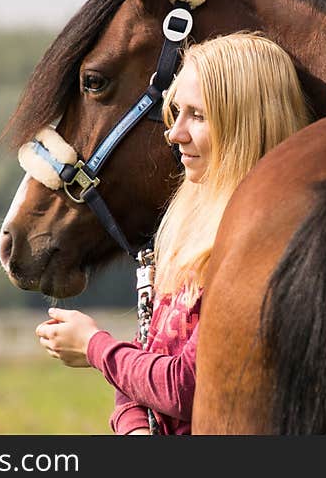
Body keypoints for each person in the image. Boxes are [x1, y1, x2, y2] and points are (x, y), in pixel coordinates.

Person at [35, 32, 311, 435]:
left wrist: (95, 347)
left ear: (245, 123)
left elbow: (189, 386)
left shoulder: (270, 244)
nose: (174, 132)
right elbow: (145, 359)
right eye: (176, 111)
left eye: (197, 116)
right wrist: (134, 431)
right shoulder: (187, 222)